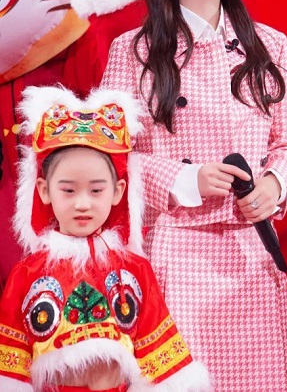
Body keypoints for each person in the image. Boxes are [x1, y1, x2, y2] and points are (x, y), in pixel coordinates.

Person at [101, 0, 287, 391]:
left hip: (252, 254)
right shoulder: (134, 52)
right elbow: (110, 161)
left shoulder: (269, 46)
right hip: (175, 257)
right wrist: (186, 179)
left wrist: (274, 185)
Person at [0, 85, 212, 392]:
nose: (82, 203)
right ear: (44, 190)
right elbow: (11, 371)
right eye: (68, 190)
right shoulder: (27, 274)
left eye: (96, 190)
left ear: (117, 191)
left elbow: (162, 365)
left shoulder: (135, 270)